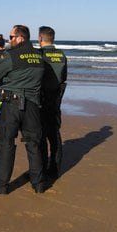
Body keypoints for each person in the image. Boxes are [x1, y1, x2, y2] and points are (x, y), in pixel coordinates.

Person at [0, 25, 47, 194]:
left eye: (11, 37)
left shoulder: (11, 56)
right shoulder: (39, 56)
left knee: (6, 143)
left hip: (12, 104)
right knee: (33, 144)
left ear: (20, 38)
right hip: (33, 105)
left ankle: (1, 185)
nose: (9, 40)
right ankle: (38, 183)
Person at [39, 26, 68, 180]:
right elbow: (64, 77)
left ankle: (43, 167)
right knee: (55, 135)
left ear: (40, 38)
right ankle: (55, 169)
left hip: (43, 98)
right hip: (56, 98)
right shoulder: (61, 55)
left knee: (42, 136)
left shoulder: (40, 54)